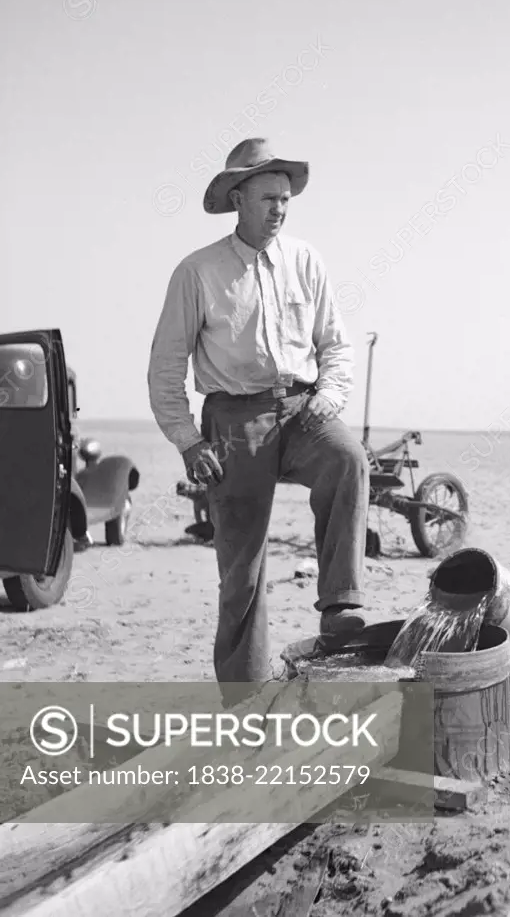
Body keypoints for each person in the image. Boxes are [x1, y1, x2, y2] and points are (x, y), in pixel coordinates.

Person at [147, 138, 370, 693]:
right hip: (231, 422)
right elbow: (164, 366)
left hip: (302, 408)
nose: (279, 209)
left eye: (286, 199)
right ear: (238, 197)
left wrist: (330, 394)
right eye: (268, 197)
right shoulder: (197, 272)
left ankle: (341, 605)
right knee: (241, 570)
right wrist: (188, 442)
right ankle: (244, 699)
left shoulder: (306, 260)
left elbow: (337, 346)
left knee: (349, 459)